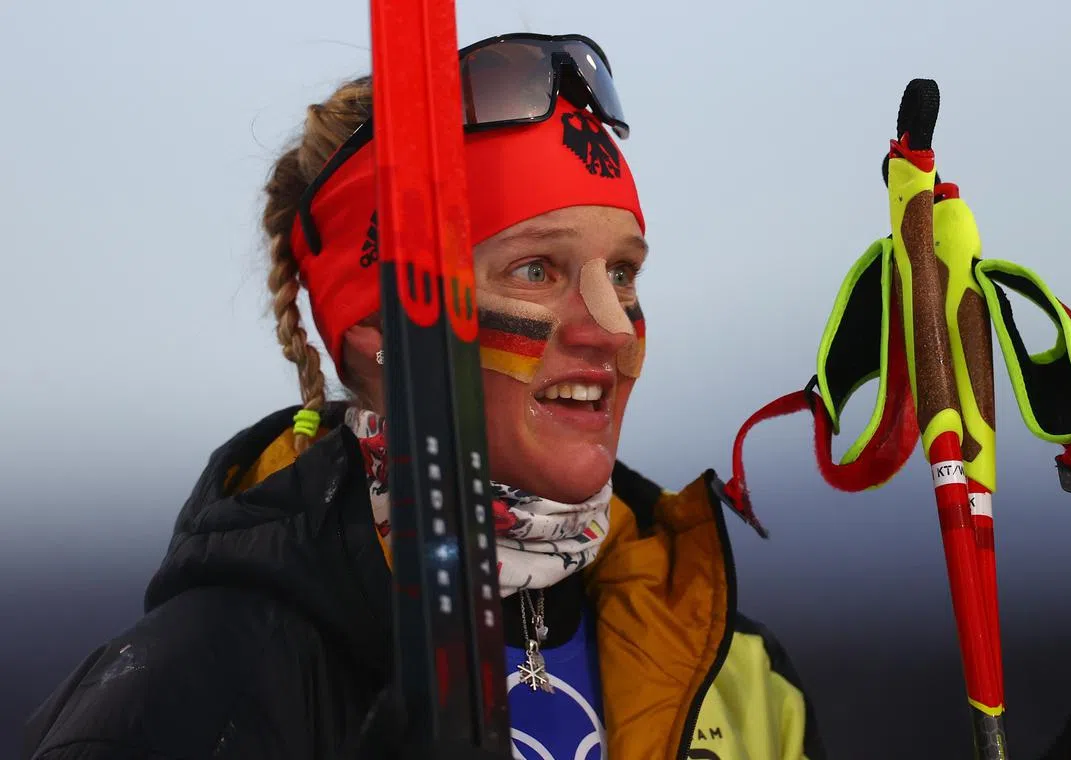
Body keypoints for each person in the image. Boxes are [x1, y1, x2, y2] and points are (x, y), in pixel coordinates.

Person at [23, 33, 827, 760]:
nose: (612, 328)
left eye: (623, 272)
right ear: (379, 330)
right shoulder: (203, 687)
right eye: (538, 270)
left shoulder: (733, 674)